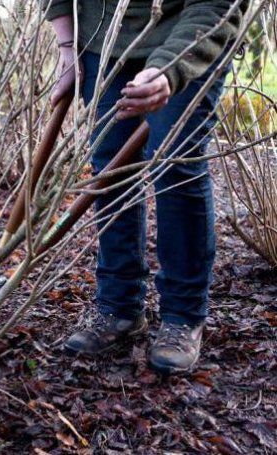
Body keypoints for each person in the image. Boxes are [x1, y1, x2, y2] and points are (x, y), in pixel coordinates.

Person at [44, 0, 246, 374]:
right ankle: (118, 305)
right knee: (110, 167)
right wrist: (68, 48)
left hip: (187, 31)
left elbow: (216, 5)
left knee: (174, 162)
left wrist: (169, 69)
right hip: (102, 38)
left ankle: (183, 316)